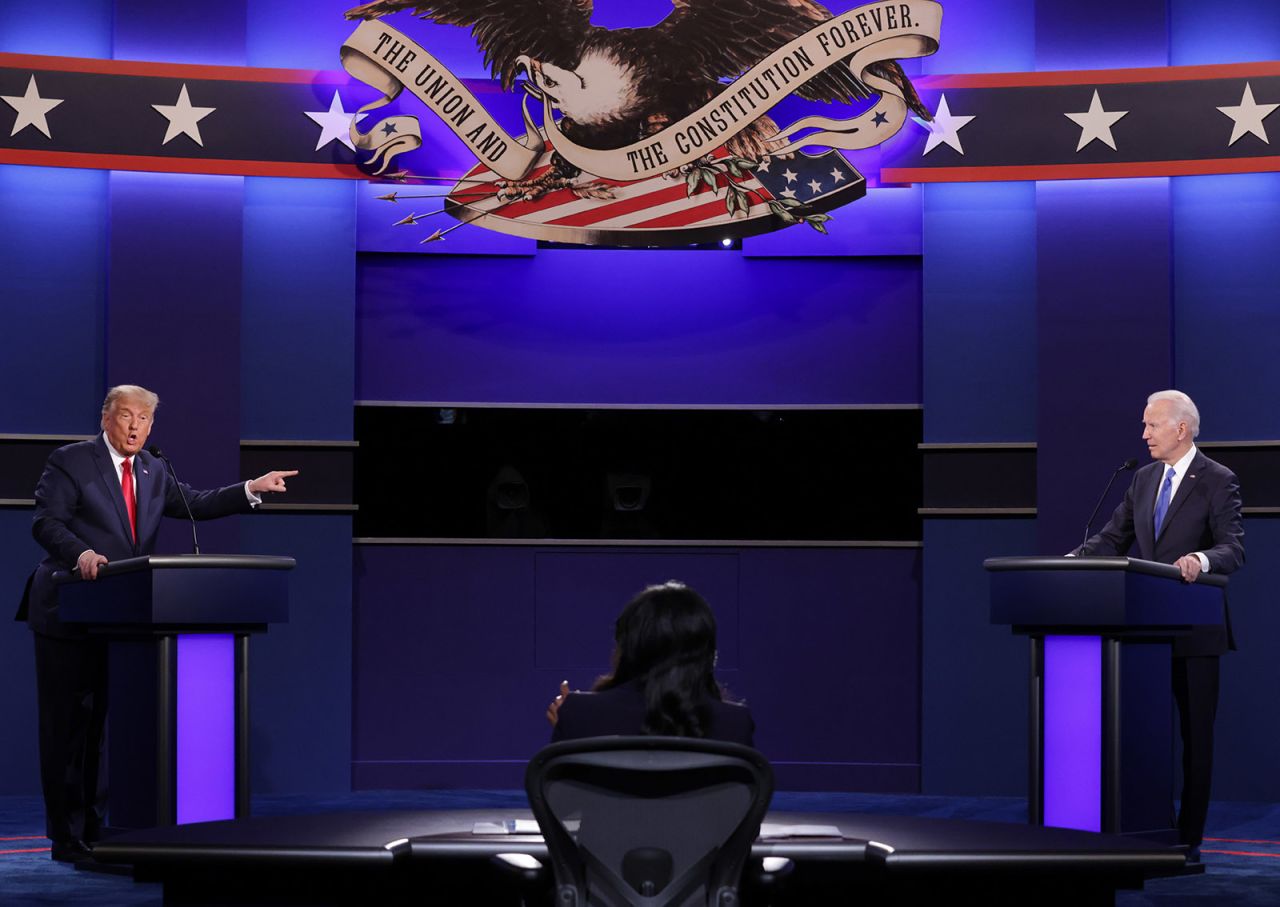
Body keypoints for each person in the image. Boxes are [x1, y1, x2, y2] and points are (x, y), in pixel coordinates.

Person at [14, 385, 298, 863]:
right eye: (126, 416)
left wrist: (251, 489)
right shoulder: (71, 461)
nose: (134, 427)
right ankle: (66, 836)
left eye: (144, 420)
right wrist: (80, 552)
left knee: (102, 729)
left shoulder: (154, 468)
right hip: (67, 610)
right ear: (106, 417)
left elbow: (195, 503)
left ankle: (93, 827)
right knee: (68, 730)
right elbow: (46, 522)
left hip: (122, 615)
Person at [1073, 389, 1244, 854]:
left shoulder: (1217, 479)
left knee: (1195, 741)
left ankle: (1187, 841)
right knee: (1143, 735)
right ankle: (1149, 829)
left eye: (1151, 425)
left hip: (1196, 630)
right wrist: (1070, 561)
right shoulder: (1143, 479)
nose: (1144, 433)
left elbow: (1234, 547)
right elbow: (1112, 538)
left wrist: (1202, 560)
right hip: (1144, 632)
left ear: (1180, 428)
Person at [545, 581, 754, 746]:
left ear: (627, 647)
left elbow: (559, 795)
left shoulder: (579, 714)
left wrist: (570, 732)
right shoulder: (735, 723)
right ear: (707, 654)